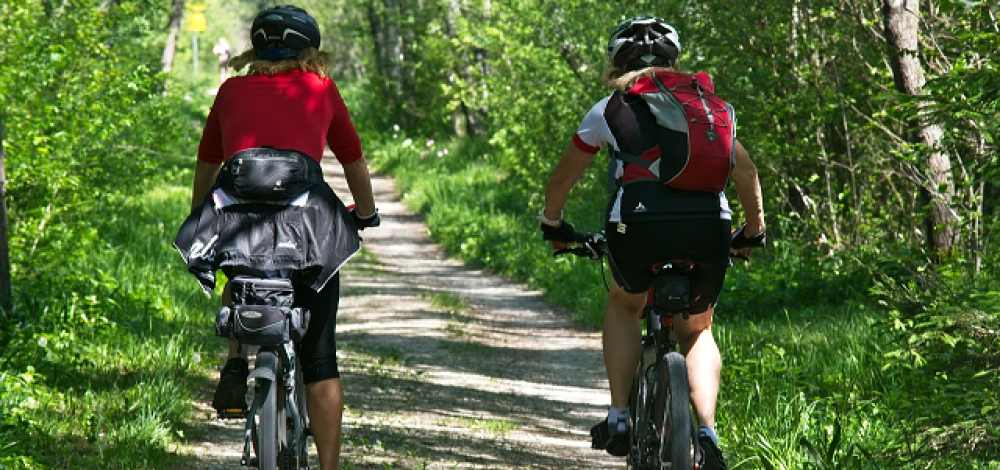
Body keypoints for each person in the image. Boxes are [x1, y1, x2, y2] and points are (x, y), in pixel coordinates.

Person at [537, 17, 766, 470]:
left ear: (616, 64)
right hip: (708, 225)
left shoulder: (609, 109)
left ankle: (619, 417)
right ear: (673, 61)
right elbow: (746, 173)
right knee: (697, 328)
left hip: (638, 226)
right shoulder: (712, 108)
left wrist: (554, 223)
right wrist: (753, 232)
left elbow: (562, 179)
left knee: (625, 301)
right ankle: (707, 433)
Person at [188, 6, 378, 470]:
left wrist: (199, 217)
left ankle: (236, 354)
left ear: (256, 48)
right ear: (309, 51)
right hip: (307, 233)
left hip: (240, 227)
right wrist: (366, 213)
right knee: (320, 358)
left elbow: (208, 166)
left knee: (237, 266)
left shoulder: (230, 91)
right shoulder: (321, 90)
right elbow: (352, 161)